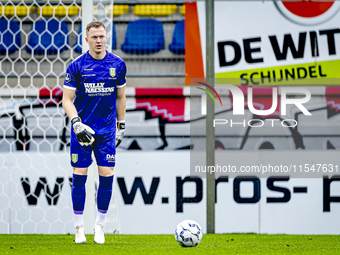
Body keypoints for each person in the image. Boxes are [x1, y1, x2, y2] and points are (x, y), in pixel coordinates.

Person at [62, 21, 126, 244]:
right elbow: (66, 100)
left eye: (102, 36)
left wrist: (122, 125)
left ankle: (100, 225)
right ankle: (79, 227)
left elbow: (120, 97)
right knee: (79, 175)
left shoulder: (118, 64)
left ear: (107, 38)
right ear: (86, 39)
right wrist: (76, 123)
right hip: (82, 130)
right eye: (94, 37)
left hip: (106, 131)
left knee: (106, 175)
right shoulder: (77, 66)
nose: (99, 40)